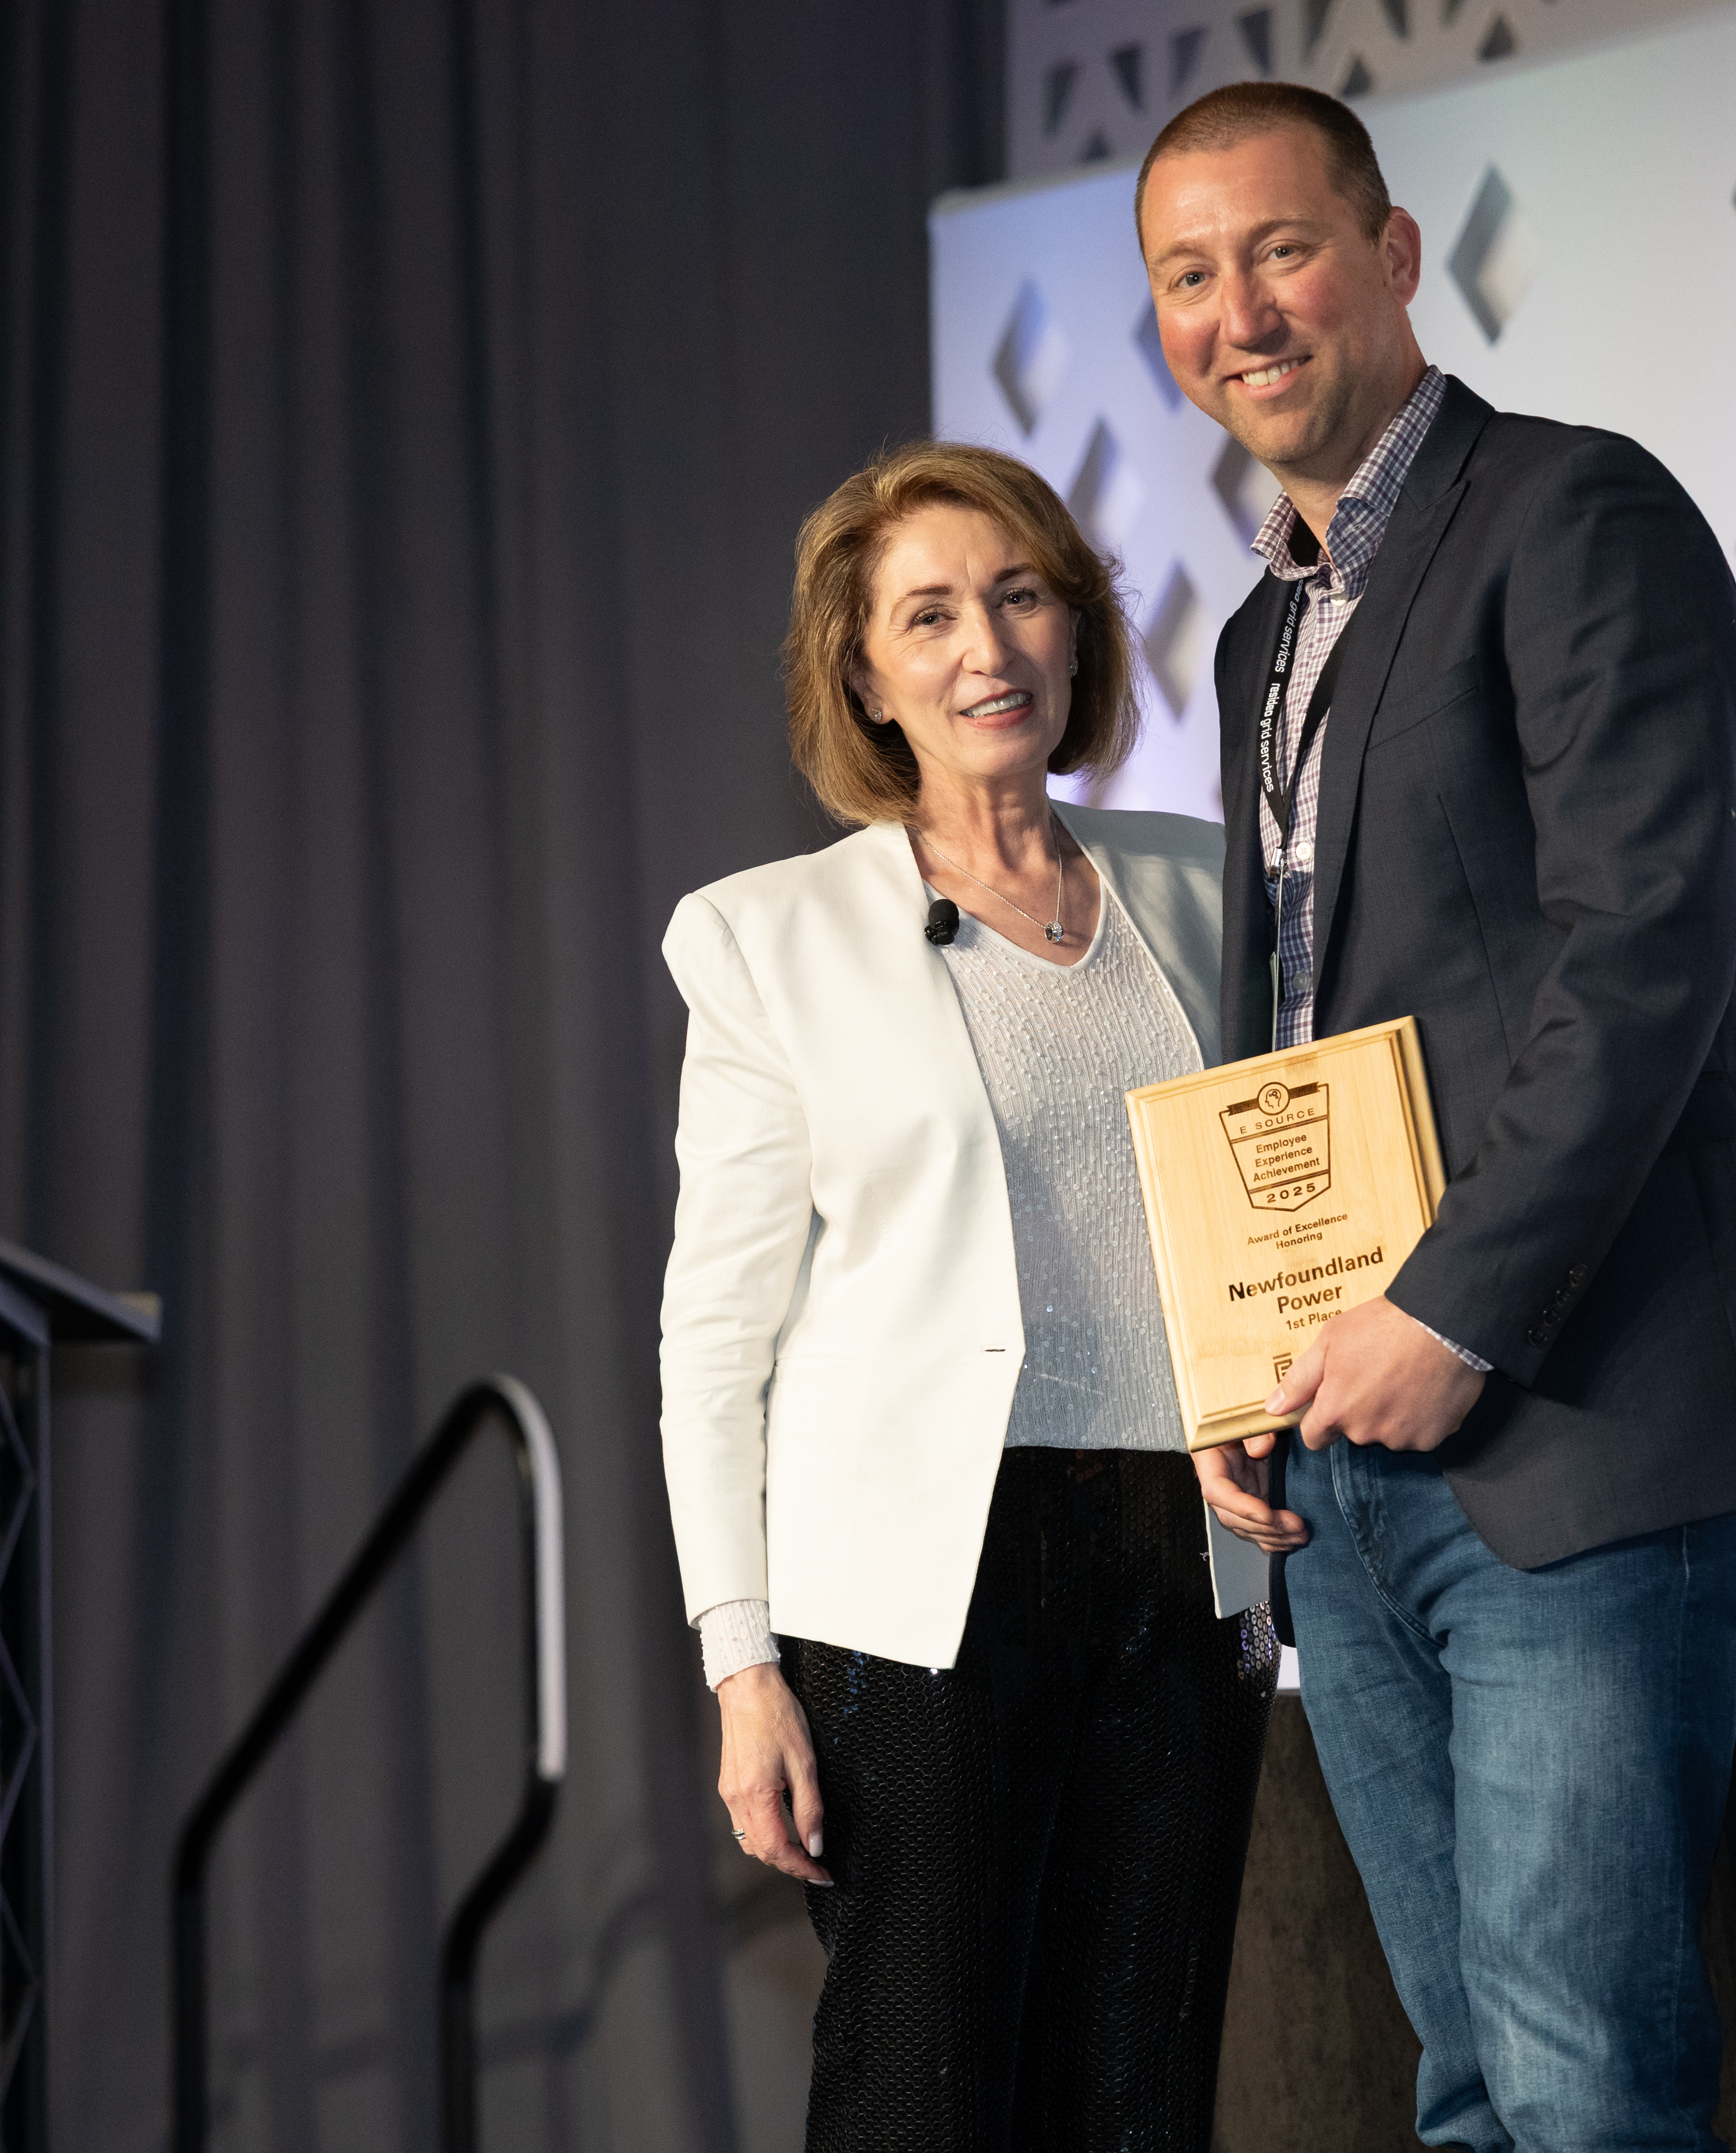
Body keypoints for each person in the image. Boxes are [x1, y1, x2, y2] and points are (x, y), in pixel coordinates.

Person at [1137, 82, 1736, 2151]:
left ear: (1392, 253)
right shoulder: (1268, 626)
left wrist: (1449, 1314)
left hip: (1573, 1429)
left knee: (1583, 2089)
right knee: (1464, 2093)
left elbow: (1644, 957)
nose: (1241, 311)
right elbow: (1310, 1022)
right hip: (1346, 1457)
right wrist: (1239, 1349)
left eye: (1278, 249)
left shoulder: (1576, 515)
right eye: (1191, 276)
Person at [656, 439, 1275, 2150]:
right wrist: (741, 1669)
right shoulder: (766, 939)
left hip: (1189, 1570)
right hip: (918, 1597)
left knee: (1140, 2097)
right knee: (923, 2101)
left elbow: (1280, 1206)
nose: (984, 649)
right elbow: (714, 1346)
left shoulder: (1208, 891)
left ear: (1077, 632)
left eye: (1019, 598)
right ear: (862, 671)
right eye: (926, 615)